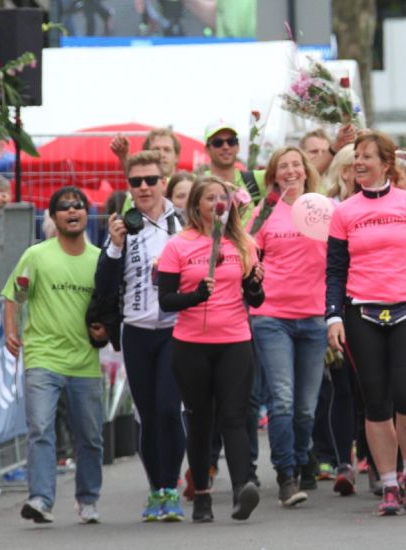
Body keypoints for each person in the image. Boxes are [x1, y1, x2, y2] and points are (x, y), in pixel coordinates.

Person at [326, 130, 406, 516]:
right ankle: (387, 483)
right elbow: (335, 270)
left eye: (367, 156)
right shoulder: (343, 212)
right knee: (376, 402)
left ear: (387, 164)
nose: (359, 162)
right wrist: (333, 315)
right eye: (356, 156)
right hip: (361, 312)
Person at [157, 176, 264, 522]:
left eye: (223, 198)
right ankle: (202, 495)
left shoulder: (243, 244)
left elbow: (255, 299)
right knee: (200, 419)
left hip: (235, 340)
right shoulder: (178, 245)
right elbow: (166, 300)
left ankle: (241, 490)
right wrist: (196, 296)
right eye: (210, 198)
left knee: (233, 416)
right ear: (196, 206)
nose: (218, 204)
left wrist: (254, 285)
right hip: (191, 344)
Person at [3, 187, 106, 524]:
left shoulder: (99, 259)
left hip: (84, 361)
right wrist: (11, 331)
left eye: (78, 206)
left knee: (90, 437)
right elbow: (14, 295)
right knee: (41, 428)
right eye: (64, 207)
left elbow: (108, 308)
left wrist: (104, 331)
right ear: (53, 217)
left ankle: (87, 500)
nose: (72, 211)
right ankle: (41, 499)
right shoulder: (37, 255)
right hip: (43, 357)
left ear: (87, 213)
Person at [94, 151, 186, 521]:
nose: (144, 187)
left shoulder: (181, 222)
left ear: (164, 182)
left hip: (175, 330)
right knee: (147, 415)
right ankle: (156, 490)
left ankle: (171, 488)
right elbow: (104, 286)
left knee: (168, 408)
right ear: (129, 186)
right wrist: (115, 246)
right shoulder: (124, 225)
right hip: (136, 331)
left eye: (151, 180)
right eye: (136, 182)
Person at [248, 146, 329, 505]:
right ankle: (286, 476)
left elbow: (341, 258)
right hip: (272, 316)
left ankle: (300, 458)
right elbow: (247, 253)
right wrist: (252, 272)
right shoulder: (264, 211)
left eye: (297, 164)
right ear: (274, 175)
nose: (291, 171)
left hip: (314, 317)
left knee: (305, 406)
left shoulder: (324, 208)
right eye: (283, 166)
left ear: (307, 170)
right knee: (281, 399)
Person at [110, 127, 182, 181]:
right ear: (146, 155)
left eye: (167, 150)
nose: (161, 154)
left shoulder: (187, 188)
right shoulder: (139, 187)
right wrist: (123, 156)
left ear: (176, 157)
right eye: (156, 150)